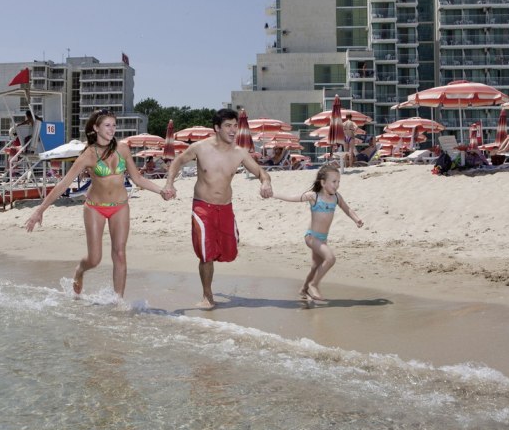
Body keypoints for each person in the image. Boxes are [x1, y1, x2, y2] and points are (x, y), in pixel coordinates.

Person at [25, 109, 172, 298]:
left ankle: (118, 301)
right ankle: (80, 270)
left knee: (120, 254)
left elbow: (138, 178)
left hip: (120, 206)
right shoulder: (88, 155)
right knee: (94, 259)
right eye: (107, 125)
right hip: (95, 208)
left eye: (114, 125)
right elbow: (63, 184)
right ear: (96, 128)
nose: (112, 129)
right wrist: (40, 210)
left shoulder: (123, 149)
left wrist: (161, 191)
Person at [162, 108, 273, 309]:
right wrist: (170, 183)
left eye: (235, 126)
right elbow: (177, 161)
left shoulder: (239, 153)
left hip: (225, 208)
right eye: (228, 126)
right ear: (216, 128)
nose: (233, 130)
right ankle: (207, 295)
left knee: (229, 252)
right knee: (206, 253)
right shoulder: (200, 148)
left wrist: (265, 183)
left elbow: (261, 172)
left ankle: (211, 287)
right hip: (202, 207)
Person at [272, 165, 363, 301]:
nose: (337, 185)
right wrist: (273, 194)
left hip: (322, 239)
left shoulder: (336, 197)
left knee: (315, 266)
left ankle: (304, 289)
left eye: (338, 181)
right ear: (323, 182)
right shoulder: (314, 196)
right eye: (334, 181)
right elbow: (292, 198)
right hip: (312, 237)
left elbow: (347, 209)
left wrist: (356, 219)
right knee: (330, 259)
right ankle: (313, 284)